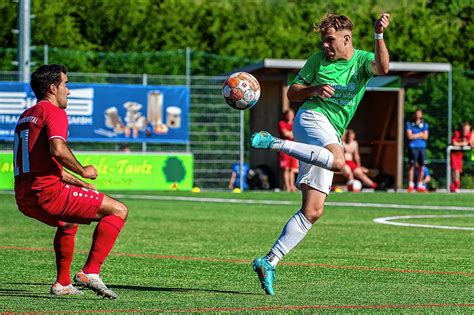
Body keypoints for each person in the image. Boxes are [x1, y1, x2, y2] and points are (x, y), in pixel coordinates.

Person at [249, 13, 390, 295]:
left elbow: (383, 68)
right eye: (323, 41)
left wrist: (379, 35)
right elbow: (293, 92)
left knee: (313, 210)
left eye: (330, 40)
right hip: (311, 118)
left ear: (346, 38)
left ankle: (269, 261)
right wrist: (313, 88)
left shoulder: (361, 60)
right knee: (339, 161)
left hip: (330, 133)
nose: (325, 45)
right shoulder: (317, 60)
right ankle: (277, 143)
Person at [13, 64, 128, 299]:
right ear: (53, 88)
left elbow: (45, 164)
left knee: (67, 223)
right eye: (66, 84)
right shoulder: (54, 112)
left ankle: (63, 283)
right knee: (118, 210)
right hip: (47, 192)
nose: (69, 90)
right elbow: (58, 149)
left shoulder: (27, 115)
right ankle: (90, 272)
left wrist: (80, 184)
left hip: (24, 196)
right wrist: (84, 172)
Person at [405, 108, 429, 193]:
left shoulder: (425, 124)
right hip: (413, 147)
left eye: (419, 113)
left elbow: (426, 137)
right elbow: (409, 136)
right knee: (412, 165)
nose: (418, 115)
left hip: (422, 147)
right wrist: (420, 134)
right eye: (417, 113)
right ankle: (411, 185)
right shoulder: (409, 124)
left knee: (422, 166)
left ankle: (419, 185)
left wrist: (415, 135)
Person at [278, 109, 299, 192]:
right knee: (286, 168)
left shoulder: (295, 124)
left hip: (294, 148)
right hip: (284, 148)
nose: (290, 116)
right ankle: (287, 186)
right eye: (288, 114)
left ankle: (292, 186)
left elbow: (297, 134)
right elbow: (285, 134)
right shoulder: (282, 123)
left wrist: (291, 134)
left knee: (292, 169)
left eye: (291, 114)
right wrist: (292, 134)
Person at [450, 122, 473, 192]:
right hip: (454, 154)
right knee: (455, 170)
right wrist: (463, 143)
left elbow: (470, 143)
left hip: (460, 155)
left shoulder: (469, 135)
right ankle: (455, 185)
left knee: (458, 171)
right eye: (464, 129)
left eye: (467, 130)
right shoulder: (457, 133)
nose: (465, 131)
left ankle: (455, 186)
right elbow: (454, 143)